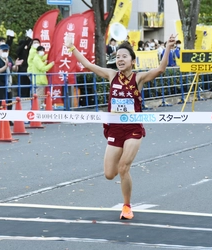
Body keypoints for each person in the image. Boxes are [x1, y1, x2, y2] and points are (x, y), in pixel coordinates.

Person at [64, 33, 177, 220]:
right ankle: (122, 167)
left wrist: (168, 48)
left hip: (133, 129)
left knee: (123, 168)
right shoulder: (111, 75)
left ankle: (126, 206)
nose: (120, 59)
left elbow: (161, 69)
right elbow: (88, 65)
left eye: (124, 56)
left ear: (132, 60)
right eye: (117, 57)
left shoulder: (138, 78)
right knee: (110, 174)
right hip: (115, 129)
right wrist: (72, 47)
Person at [0, 44, 23, 121]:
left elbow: (13, 68)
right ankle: (0, 119)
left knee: (9, 101)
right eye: (4, 51)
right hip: (0, 82)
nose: (5, 52)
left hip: (9, 83)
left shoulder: (8, 58)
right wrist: (5, 66)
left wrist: (16, 65)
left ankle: (8, 119)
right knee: (1, 101)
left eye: (6, 51)